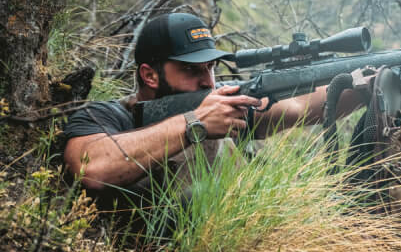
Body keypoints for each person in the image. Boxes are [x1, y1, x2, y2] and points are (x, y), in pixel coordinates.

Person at [63, 12, 364, 205]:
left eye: (211, 68)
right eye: (193, 70)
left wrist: (362, 86)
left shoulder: (226, 108)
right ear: (150, 75)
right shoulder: (107, 116)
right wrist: (196, 123)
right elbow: (91, 169)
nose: (209, 82)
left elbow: (300, 106)